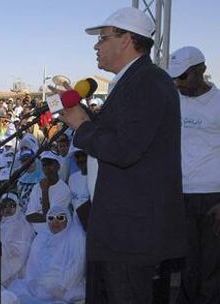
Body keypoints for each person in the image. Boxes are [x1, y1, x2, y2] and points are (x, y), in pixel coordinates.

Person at [59, 7, 186, 303]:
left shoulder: (149, 82)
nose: (96, 46)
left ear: (126, 40)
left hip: (131, 232)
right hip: (116, 226)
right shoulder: (132, 81)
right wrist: (82, 117)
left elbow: (124, 149)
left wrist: (81, 125)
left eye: (102, 38)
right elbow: (117, 135)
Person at [167, 46, 220, 304]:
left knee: (212, 268)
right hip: (181, 195)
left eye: (183, 76)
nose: (178, 83)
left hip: (213, 197)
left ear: (202, 70)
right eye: (174, 77)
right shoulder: (174, 99)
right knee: (187, 266)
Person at [9, 205, 86, 303]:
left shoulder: (76, 235)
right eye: (51, 218)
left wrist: (60, 286)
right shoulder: (42, 236)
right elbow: (32, 266)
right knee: (14, 290)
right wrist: (36, 282)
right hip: (41, 286)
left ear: (68, 219)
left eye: (60, 217)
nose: (55, 221)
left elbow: (77, 266)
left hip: (66, 288)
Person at [25, 151, 71, 234]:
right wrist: (44, 216)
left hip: (54, 235)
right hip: (34, 235)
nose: (47, 168)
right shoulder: (36, 187)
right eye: (44, 165)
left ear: (58, 166)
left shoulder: (64, 190)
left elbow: (50, 217)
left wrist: (45, 191)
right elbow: (28, 216)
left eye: (50, 164)